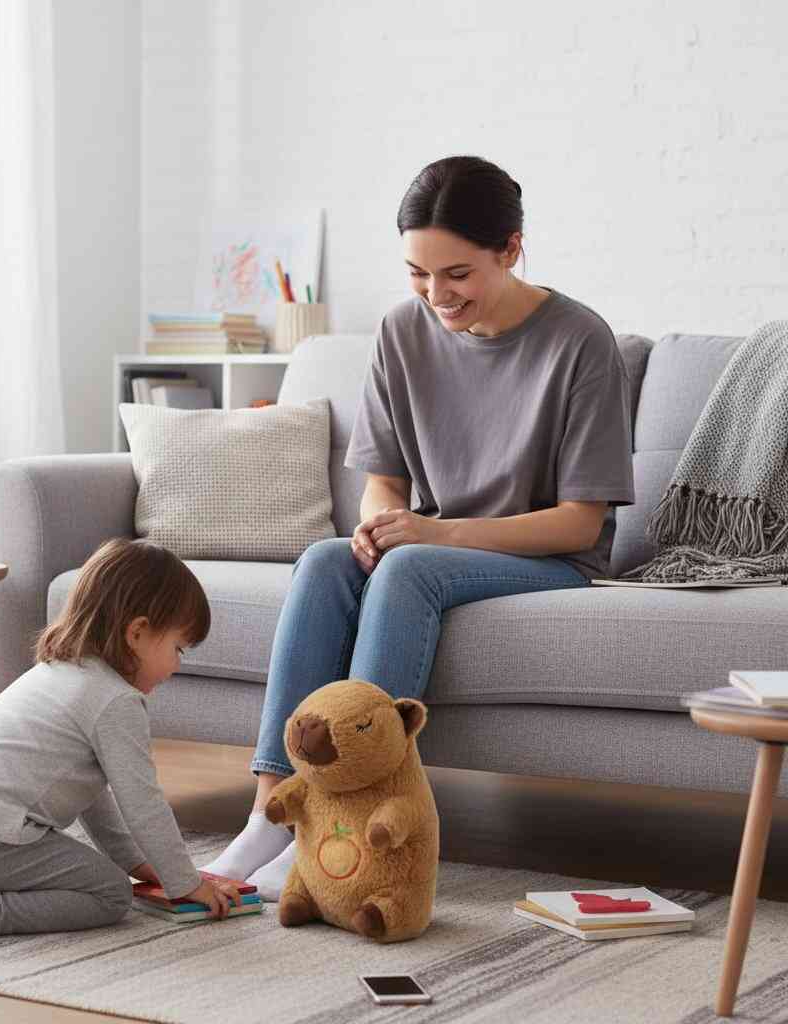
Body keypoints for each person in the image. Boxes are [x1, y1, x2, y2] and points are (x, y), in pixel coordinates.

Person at [201, 154, 636, 899]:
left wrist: (433, 535)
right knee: (326, 560)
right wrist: (376, 527)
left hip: (546, 556)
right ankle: (270, 815)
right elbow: (382, 485)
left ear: (511, 248)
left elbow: (579, 522)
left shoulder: (580, 341)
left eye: (458, 274)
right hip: (431, 546)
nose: (438, 295)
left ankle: (343, 821)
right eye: (418, 274)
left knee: (406, 567)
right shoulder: (402, 333)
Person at [0, 538, 242, 939]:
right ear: (137, 632)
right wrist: (186, 883)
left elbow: (92, 797)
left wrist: (138, 863)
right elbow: (144, 805)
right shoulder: (116, 701)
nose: (176, 666)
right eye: (178, 648)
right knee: (111, 894)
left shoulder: (56, 673)